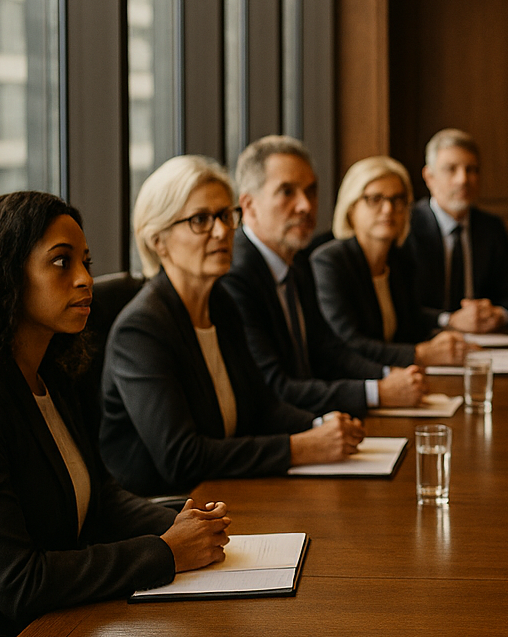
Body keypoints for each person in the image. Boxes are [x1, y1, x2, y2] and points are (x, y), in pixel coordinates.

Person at [0, 193, 231, 637]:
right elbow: (19, 582)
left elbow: (99, 497)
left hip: (57, 634)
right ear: (5, 276)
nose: (83, 278)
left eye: (85, 262)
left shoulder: (50, 375)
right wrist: (166, 551)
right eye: (61, 262)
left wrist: (186, 522)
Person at [101, 156, 364, 496]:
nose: (223, 231)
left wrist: (323, 425)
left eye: (226, 215)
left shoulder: (220, 303)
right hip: (167, 513)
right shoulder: (140, 330)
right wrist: (303, 447)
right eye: (200, 220)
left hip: (227, 492)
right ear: (157, 241)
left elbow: (262, 406)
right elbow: (182, 458)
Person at [220, 136, 428, 417]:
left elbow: (329, 352)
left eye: (311, 191)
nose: (305, 205)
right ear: (249, 205)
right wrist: (377, 392)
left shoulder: (298, 263)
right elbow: (275, 387)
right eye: (287, 192)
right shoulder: (236, 275)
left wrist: (390, 375)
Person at [311, 156, 470, 368]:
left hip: (402, 377)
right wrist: (419, 353)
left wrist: (441, 339)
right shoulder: (330, 262)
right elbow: (350, 343)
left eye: (397, 199)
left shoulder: (400, 260)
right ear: (351, 208)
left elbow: (411, 323)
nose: (388, 209)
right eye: (375, 199)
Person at [405, 128, 508, 333]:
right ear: (429, 177)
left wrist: (498, 314)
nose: (463, 180)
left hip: (483, 344)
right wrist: (449, 320)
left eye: (472, 170)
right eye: (451, 169)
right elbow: (402, 307)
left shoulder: (490, 228)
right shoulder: (407, 226)